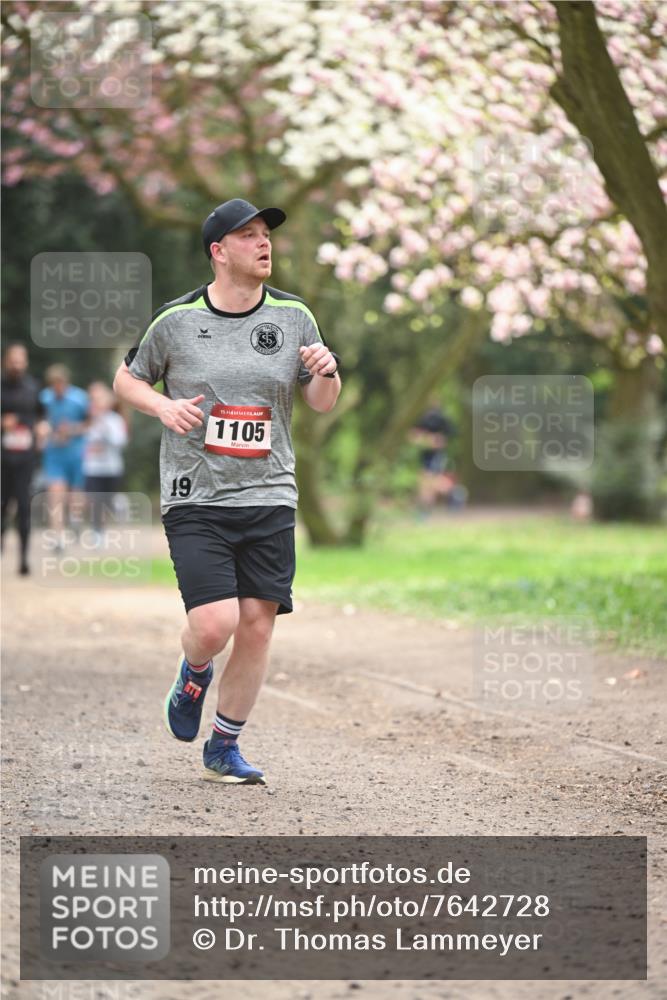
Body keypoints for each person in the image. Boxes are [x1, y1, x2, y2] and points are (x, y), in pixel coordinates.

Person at [113, 197, 341, 786]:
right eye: (249, 235)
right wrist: (162, 406)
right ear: (218, 251)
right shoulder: (176, 320)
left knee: (258, 624)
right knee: (215, 625)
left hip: (270, 492)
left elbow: (320, 402)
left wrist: (327, 371)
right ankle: (194, 672)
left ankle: (224, 745)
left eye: (266, 234)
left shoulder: (294, 316)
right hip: (197, 495)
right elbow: (127, 379)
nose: (264, 243)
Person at [1, 343, 48, 574]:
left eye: (20, 361)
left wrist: (42, 427)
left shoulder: (33, 387)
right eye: (13, 361)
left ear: (25, 363)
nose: (17, 365)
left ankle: (23, 559)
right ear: (6, 362)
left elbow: (42, 415)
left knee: (23, 506)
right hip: (2, 458)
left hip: (25, 458)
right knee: (2, 505)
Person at [39, 364, 89, 550]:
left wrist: (72, 430)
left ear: (66, 382)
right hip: (54, 454)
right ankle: (57, 537)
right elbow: (39, 421)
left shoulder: (80, 398)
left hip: (76, 453)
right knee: (56, 495)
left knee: (76, 494)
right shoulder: (44, 399)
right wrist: (43, 430)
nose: (57, 388)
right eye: (54, 385)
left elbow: (89, 423)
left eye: (60, 384)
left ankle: (75, 520)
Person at [83, 382, 129, 541]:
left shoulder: (115, 420)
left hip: (111, 468)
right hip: (92, 468)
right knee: (94, 501)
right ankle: (97, 532)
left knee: (106, 502)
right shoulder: (89, 421)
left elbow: (120, 442)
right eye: (94, 400)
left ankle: (118, 504)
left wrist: (106, 432)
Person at [410, 399, 458, 514]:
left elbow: (448, 436)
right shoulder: (424, 418)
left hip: (436, 455)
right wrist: (421, 439)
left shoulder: (442, 419)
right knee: (427, 481)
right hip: (425, 455)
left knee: (428, 480)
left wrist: (437, 440)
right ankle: (453, 494)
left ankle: (425, 510)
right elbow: (414, 434)